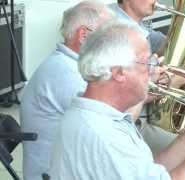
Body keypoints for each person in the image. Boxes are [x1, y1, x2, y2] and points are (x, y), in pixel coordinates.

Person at [49, 21, 185, 180]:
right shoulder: (103, 134)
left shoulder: (101, 115)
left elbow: (153, 170)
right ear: (119, 72)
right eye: (147, 62)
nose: (156, 71)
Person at [109, 1, 185, 179]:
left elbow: (167, 52)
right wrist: (181, 78)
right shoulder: (113, 27)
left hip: (144, 114)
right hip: (134, 123)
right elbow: (124, 95)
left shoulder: (140, 24)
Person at [20, 2, 114, 180]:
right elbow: (110, 131)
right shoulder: (67, 72)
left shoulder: (73, 65)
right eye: (109, 35)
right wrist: (140, 92)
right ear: (84, 35)